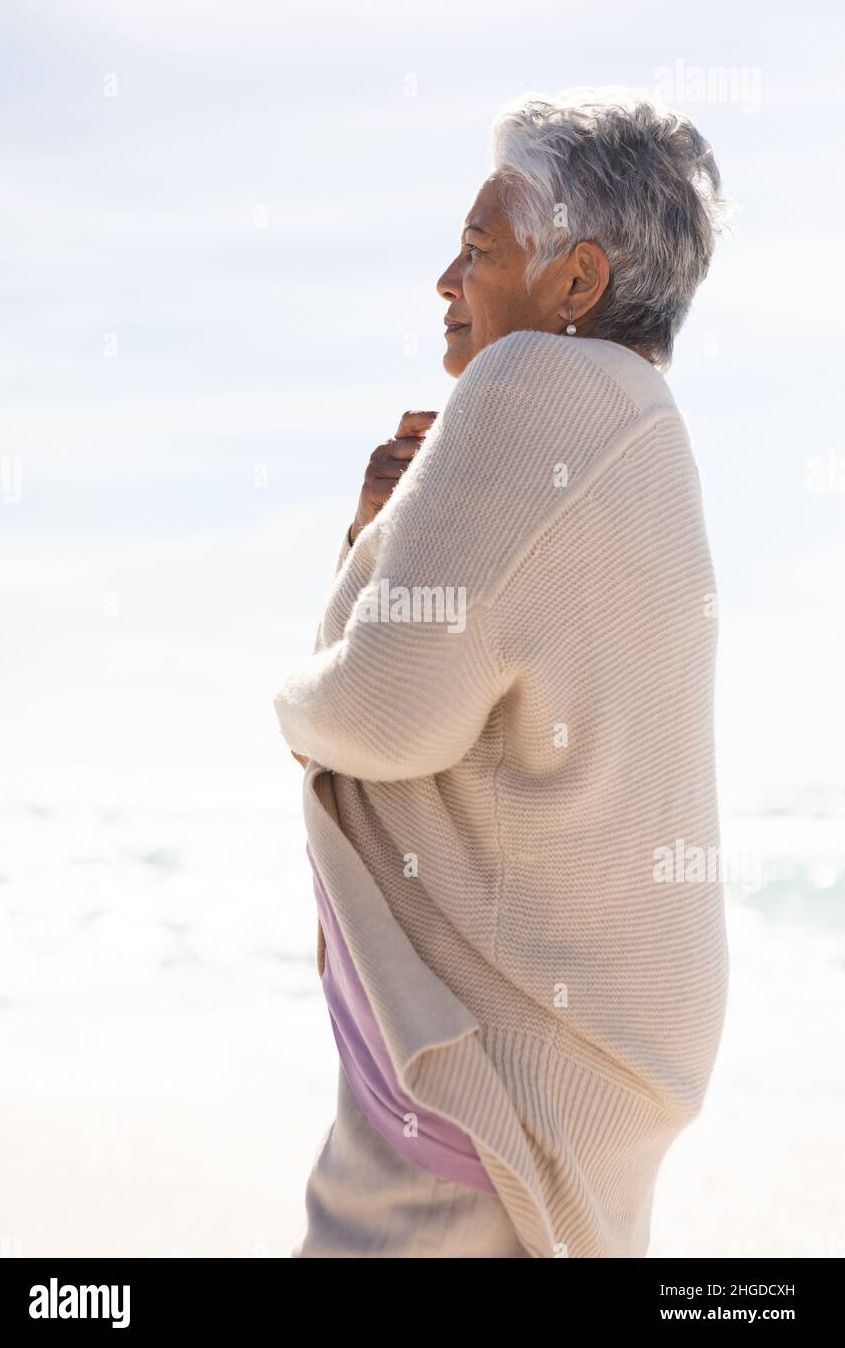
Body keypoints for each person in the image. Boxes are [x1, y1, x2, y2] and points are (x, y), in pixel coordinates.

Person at [274, 86, 731, 1258]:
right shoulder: (644, 426)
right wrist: (380, 528)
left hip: (491, 1067)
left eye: (476, 251)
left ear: (573, 286)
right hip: (610, 1050)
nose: (444, 281)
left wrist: (284, 701)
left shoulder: (531, 384)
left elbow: (377, 711)